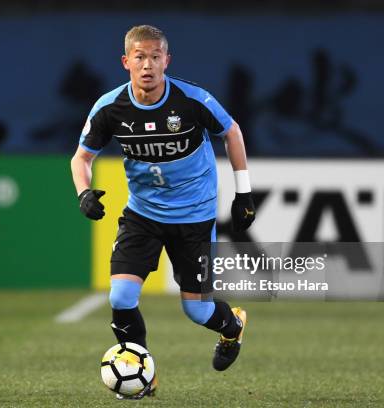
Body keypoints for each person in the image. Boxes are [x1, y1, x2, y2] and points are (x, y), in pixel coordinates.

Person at [70, 25, 256, 399]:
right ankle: (144, 374)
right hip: (143, 216)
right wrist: (84, 193)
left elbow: (232, 132)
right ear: (126, 62)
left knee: (197, 312)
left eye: (156, 57)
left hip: (195, 219)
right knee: (121, 297)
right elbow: (82, 157)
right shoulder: (110, 107)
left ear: (167, 60)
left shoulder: (192, 100)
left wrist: (244, 194)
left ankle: (232, 326)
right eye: (140, 57)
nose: (148, 65)